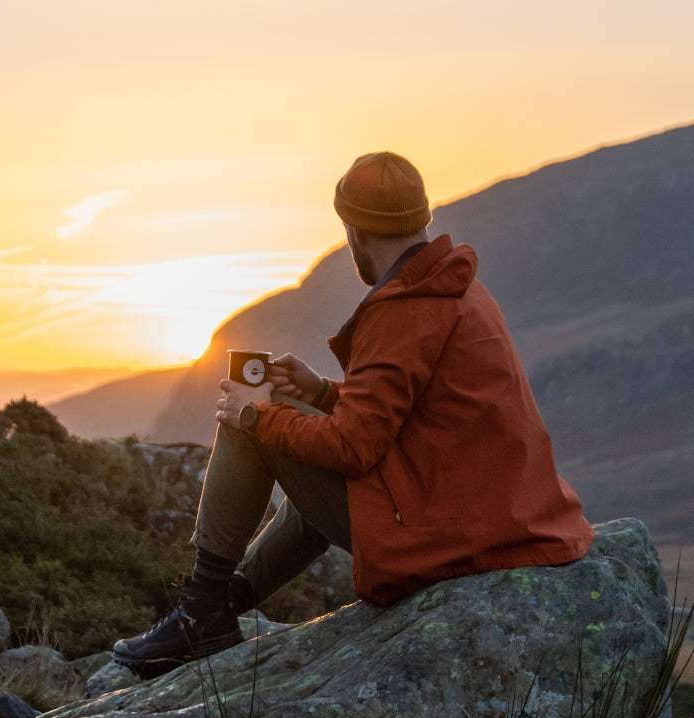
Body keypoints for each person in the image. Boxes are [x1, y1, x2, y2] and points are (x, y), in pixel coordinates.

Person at [112, 151, 595, 678]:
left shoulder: (403, 307)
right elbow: (406, 415)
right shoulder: (459, 290)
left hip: (445, 532)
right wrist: (320, 393)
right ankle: (224, 603)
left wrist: (255, 417)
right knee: (301, 446)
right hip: (482, 512)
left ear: (354, 231)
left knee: (253, 424)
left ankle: (202, 609)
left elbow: (352, 448)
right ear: (420, 219)